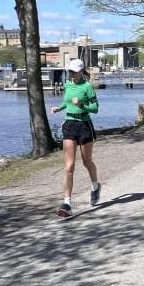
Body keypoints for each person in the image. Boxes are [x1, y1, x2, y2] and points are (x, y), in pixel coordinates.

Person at [51, 58, 101, 216]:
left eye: (73, 71)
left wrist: (81, 105)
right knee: (69, 166)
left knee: (87, 161)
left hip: (84, 125)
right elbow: (67, 102)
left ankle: (95, 186)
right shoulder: (67, 85)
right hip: (69, 125)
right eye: (69, 71)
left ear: (80, 72)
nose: (71, 74)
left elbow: (95, 108)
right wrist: (58, 108)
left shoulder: (87, 87)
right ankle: (66, 204)